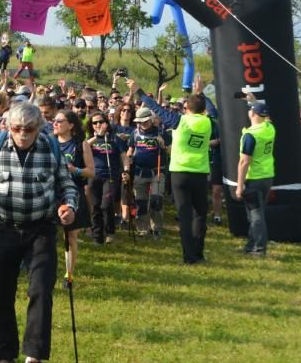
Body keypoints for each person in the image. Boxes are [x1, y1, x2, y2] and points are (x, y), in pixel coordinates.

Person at [0, 102, 78, 363]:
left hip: (41, 229)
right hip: (3, 227)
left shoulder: (50, 147)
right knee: (2, 294)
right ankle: (5, 356)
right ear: (9, 127)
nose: (23, 134)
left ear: (39, 128)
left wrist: (69, 208)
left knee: (40, 290)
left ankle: (33, 357)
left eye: (28, 129)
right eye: (17, 128)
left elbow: (67, 185)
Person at [129, 77, 216, 264]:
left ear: (187, 109)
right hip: (200, 173)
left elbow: (156, 108)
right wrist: (200, 93)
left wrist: (139, 91)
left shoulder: (180, 121)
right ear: (203, 110)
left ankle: (189, 256)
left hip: (180, 173)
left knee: (185, 216)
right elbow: (213, 110)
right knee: (200, 214)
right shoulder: (208, 122)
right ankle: (199, 254)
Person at [54, 110, 92, 277]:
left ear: (70, 125)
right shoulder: (49, 143)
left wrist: (74, 170)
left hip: (73, 194)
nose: (55, 123)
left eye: (59, 121)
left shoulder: (80, 144)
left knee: (70, 236)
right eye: (54, 120)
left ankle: (68, 274)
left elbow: (91, 171)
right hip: (52, 193)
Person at [234, 102, 275, 256]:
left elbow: (244, 162)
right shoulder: (269, 128)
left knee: (256, 215)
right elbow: (267, 117)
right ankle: (251, 244)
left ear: (252, 114)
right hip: (267, 177)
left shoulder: (251, 135)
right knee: (255, 213)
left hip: (254, 178)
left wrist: (239, 186)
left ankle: (258, 248)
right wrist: (253, 99)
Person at [85, 111, 126, 244]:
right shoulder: (89, 140)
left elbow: (124, 157)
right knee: (95, 206)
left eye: (101, 122)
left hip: (110, 176)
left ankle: (110, 231)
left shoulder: (115, 139)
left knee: (106, 205)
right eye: (95, 123)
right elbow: (82, 148)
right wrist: (96, 137)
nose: (98, 124)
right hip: (94, 176)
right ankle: (97, 236)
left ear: (106, 124)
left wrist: (126, 170)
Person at [127, 107, 167, 238]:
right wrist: (127, 163)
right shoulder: (135, 133)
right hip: (139, 172)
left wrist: (164, 146)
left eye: (144, 121)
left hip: (157, 171)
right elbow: (130, 150)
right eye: (139, 122)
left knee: (156, 200)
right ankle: (142, 228)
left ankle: (157, 227)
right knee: (141, 202)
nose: (142, 124)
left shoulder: (160, 132)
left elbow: (171, 151)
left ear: (151, 119)